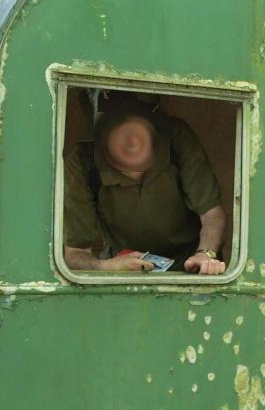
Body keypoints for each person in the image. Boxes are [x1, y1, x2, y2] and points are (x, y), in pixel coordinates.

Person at [62, 93, 227, 275]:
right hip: (123, 267)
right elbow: (75, 252)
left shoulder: (176, 138)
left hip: (189, 261)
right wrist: (106, 267)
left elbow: (212, 213)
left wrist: (205, 255)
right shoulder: (82, 163)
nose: (132, 143)